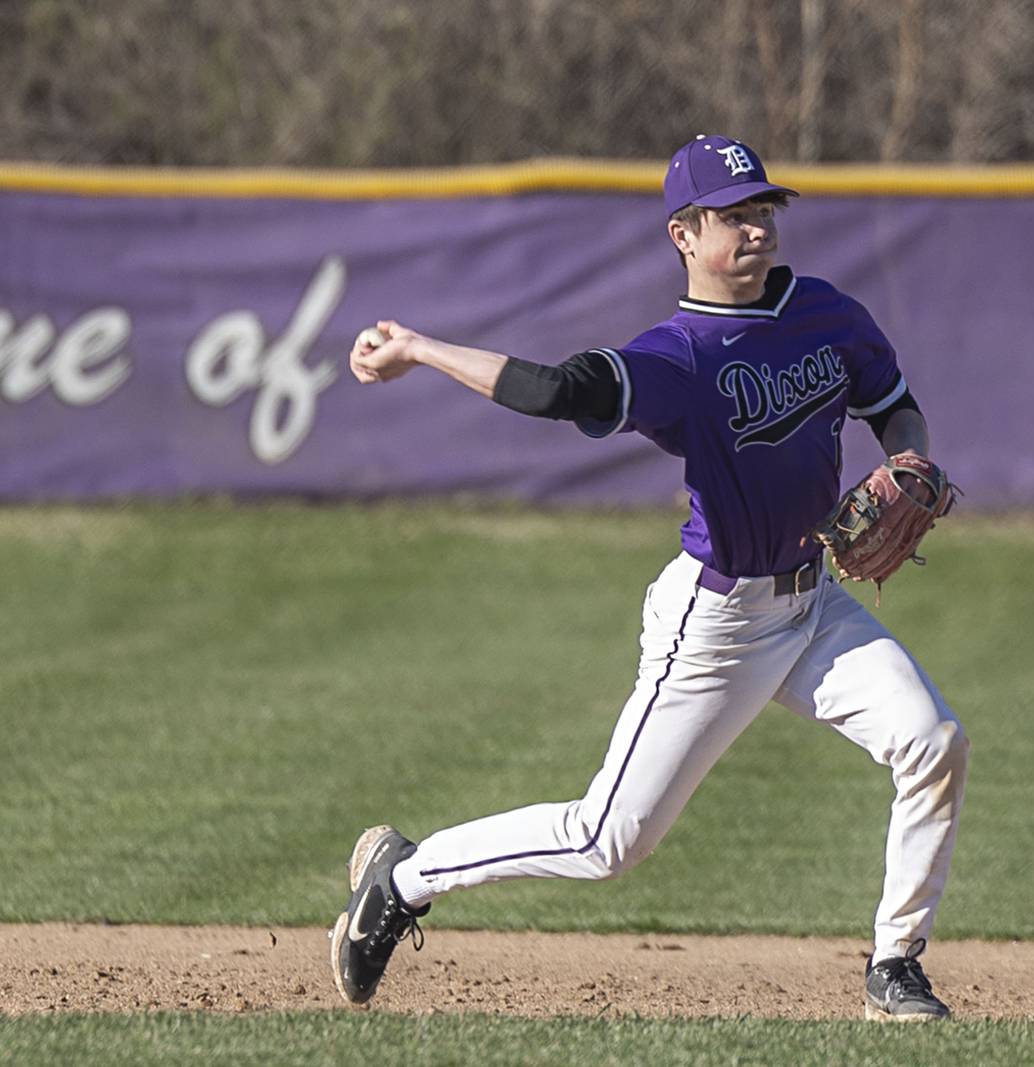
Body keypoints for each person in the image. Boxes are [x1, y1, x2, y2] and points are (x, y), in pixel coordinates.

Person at [330, 134, 969, 1021]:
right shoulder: (678, 358)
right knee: (606, 840)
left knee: (933, 739)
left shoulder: (825, 313)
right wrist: (420, 348)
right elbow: (555, 390)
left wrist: (908, 457)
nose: (756, 227)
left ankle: (894, 966)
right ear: (684, 234)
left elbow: (893, 403)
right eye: (733, 215)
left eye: (763, 209)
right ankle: (404, 876)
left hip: (814, 605)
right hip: (716, 626)